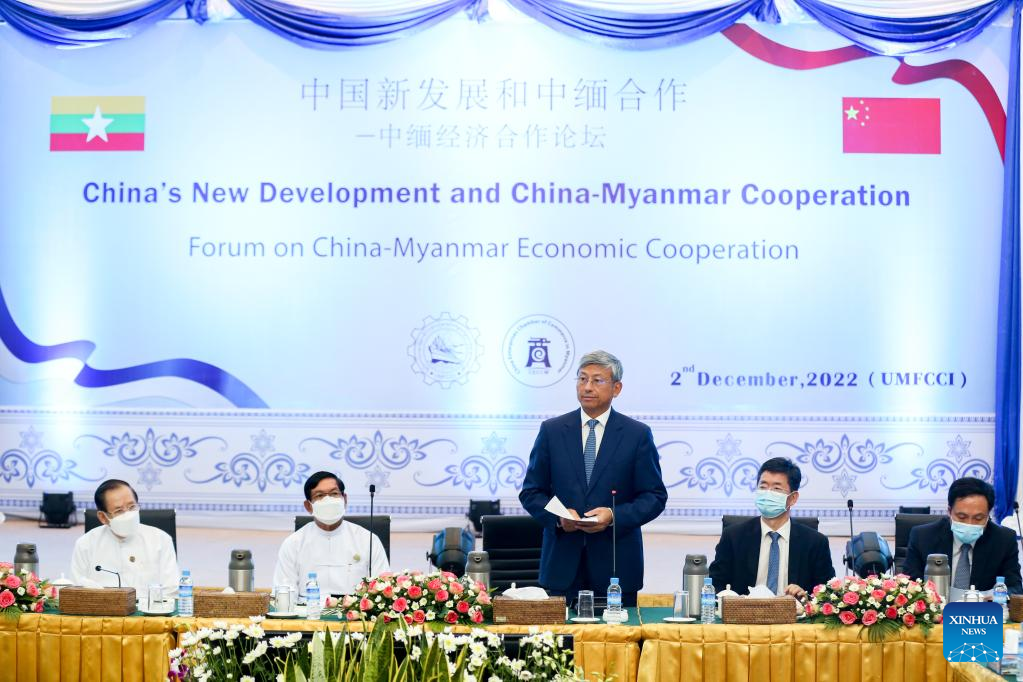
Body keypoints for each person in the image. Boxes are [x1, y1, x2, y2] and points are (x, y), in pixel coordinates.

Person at [519, 350, 667, 607]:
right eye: (582, 379)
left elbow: (654, 496)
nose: (587, 387)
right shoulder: (552, 431)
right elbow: (532, 492)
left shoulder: (636, 435)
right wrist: (558, 518)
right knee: (559, 634)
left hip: (617, 568)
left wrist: (614, 515)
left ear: (616, 388)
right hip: (562, 566)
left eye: (597, 380)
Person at [709, 457, 834, 597]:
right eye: (763, 487)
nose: (767, 493)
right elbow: (715, 584)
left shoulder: (815, 542)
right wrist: (732, 598)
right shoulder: (733, 536)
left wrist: (805, 597)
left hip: (794, 610)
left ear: (793, 498)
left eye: (776, 488)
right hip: (743, 610)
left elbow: (827, 593)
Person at [273, 471, 389, 597]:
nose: (328, 500)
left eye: (334, 494)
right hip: (308, 608)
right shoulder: (293, 543)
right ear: (308, 506)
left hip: (354, 609)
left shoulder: (368, 540)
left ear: (345, 499)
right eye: (319, 495)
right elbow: (284, 592)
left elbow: (382, 589)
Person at [903, 476, 1022, 593]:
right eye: (961, 517)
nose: (969, 523)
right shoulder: (922, 537)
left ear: (988, 515)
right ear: (949, 511)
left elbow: (1015, 588)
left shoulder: (1004, 540)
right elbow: (909, 586)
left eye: (978, 518)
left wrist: (995, 595)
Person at [70, 479, 179, 596]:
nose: (128, 515)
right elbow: (76, 589)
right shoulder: (85, 544)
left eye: (132, 507)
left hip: (150, 606)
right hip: (102, 606)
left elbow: (171, 589)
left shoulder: (161, 540)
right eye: (119, 511)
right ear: (103, 517)